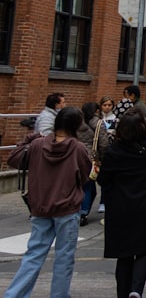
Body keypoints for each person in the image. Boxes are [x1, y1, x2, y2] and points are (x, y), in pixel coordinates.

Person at [4, 107, 90, 298]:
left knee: (33, 255)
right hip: (67, 208)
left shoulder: (37, 145)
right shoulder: (78, 148)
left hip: (40, 207)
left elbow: (14, 159)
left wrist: (31, 137)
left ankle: (14, 295)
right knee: (64, 258)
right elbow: (84, 177)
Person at [98, 100, 146, 298]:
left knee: (124, 254)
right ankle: (136, 289)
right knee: (144, 248)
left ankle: (123, 293)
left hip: (120, 207)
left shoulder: (113, 152)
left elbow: (103, 180)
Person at [76, 102, 109, 226]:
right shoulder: (99, 123)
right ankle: (82, 214)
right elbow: (104, 144)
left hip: (77, 156)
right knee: (89, 187)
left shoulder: (77, 122)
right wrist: (104, 158)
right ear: (96, 111)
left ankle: (78, 211)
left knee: (82, 186)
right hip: (92, 158)